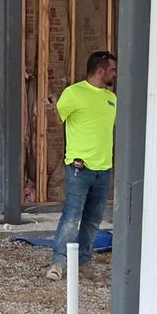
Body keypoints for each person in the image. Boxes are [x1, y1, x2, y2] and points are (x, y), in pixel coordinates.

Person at [48, 50, 118, 280]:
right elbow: (55, 117)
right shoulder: (74, 93)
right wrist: (50, 107)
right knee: (71, 217)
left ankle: (83, 262)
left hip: (103, 170)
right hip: (80, 168)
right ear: (100, 71)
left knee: (92, 220)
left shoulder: (111, 99)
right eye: (112, 70)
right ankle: (58, 263)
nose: (114, 74)